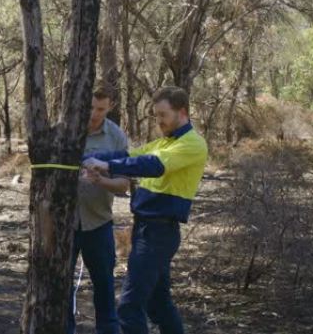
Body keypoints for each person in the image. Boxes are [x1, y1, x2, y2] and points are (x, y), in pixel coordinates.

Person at [83, 86, 208, 334]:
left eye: (163, 115)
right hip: (145, 230)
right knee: (158, 305)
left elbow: (153, 165)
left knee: (129, 307)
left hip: (159, 234)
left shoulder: (192, 144)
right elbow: (129, 154)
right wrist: (88, 159)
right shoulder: (164, 142)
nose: (159, 121)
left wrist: (106, 164)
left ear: (181, 112)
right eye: (156, 115)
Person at [68, 84, 130, 334]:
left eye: (101, 109)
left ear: (110, 107)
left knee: (104, 288)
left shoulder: (115, 137)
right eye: (90, 107)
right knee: (62, 289)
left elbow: (123, 184)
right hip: (64, 226)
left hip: (99, 223)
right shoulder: (67, 130)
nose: (94, 114)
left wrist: (101, 180)